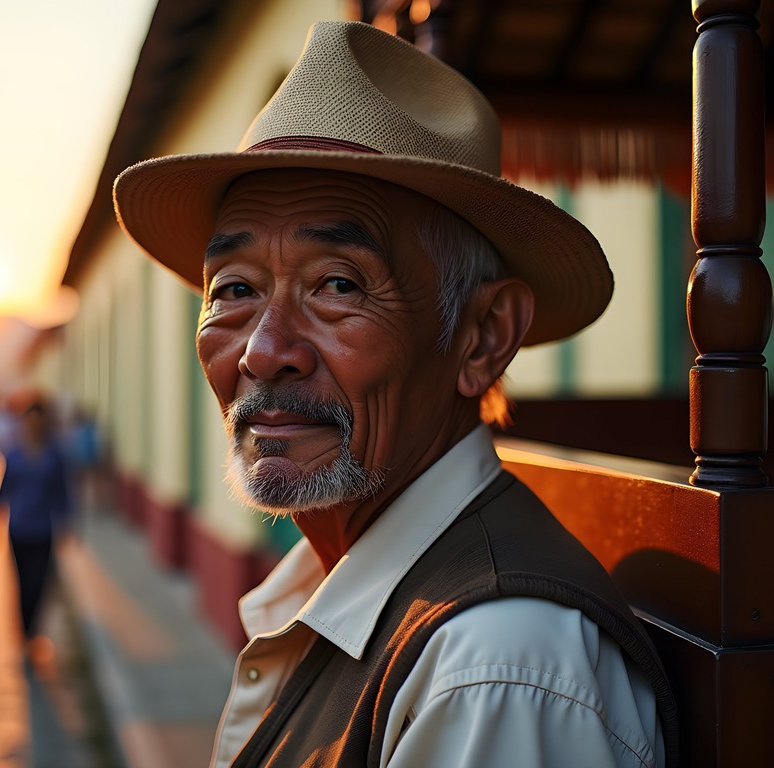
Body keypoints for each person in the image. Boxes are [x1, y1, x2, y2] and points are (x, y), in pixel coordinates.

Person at [113, 21, 678, 768]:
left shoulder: (493, 671)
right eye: (236, 290)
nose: (262, 351)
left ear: (481, 337)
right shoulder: (344, 579)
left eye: (338, 285)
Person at [0, 398, 73, 662]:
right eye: (30, 420)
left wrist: (66, 524)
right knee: (21, 585)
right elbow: (3, 488)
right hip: (18, 529)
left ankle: (33, 633)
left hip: (43, 531)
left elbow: (63, 493)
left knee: (39, 585)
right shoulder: (13, 454)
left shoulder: (54, 455)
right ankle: (24, 635)